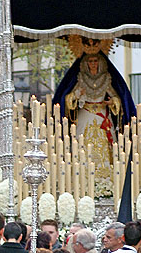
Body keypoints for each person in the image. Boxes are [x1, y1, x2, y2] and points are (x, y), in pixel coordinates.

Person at [53, 46, 136, 198]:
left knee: (106, 147)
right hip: (85, 115)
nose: (93, 64)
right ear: (85, 63)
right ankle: (82, 180)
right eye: (90, 61)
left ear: (100, 62)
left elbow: (117, 97)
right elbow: (68, 99)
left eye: (95, 61)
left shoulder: (106, 78)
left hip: (102, 116)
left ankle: (106, 181)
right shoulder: (80, 79)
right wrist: (79, 94)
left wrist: (112, 103)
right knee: (82, 145)